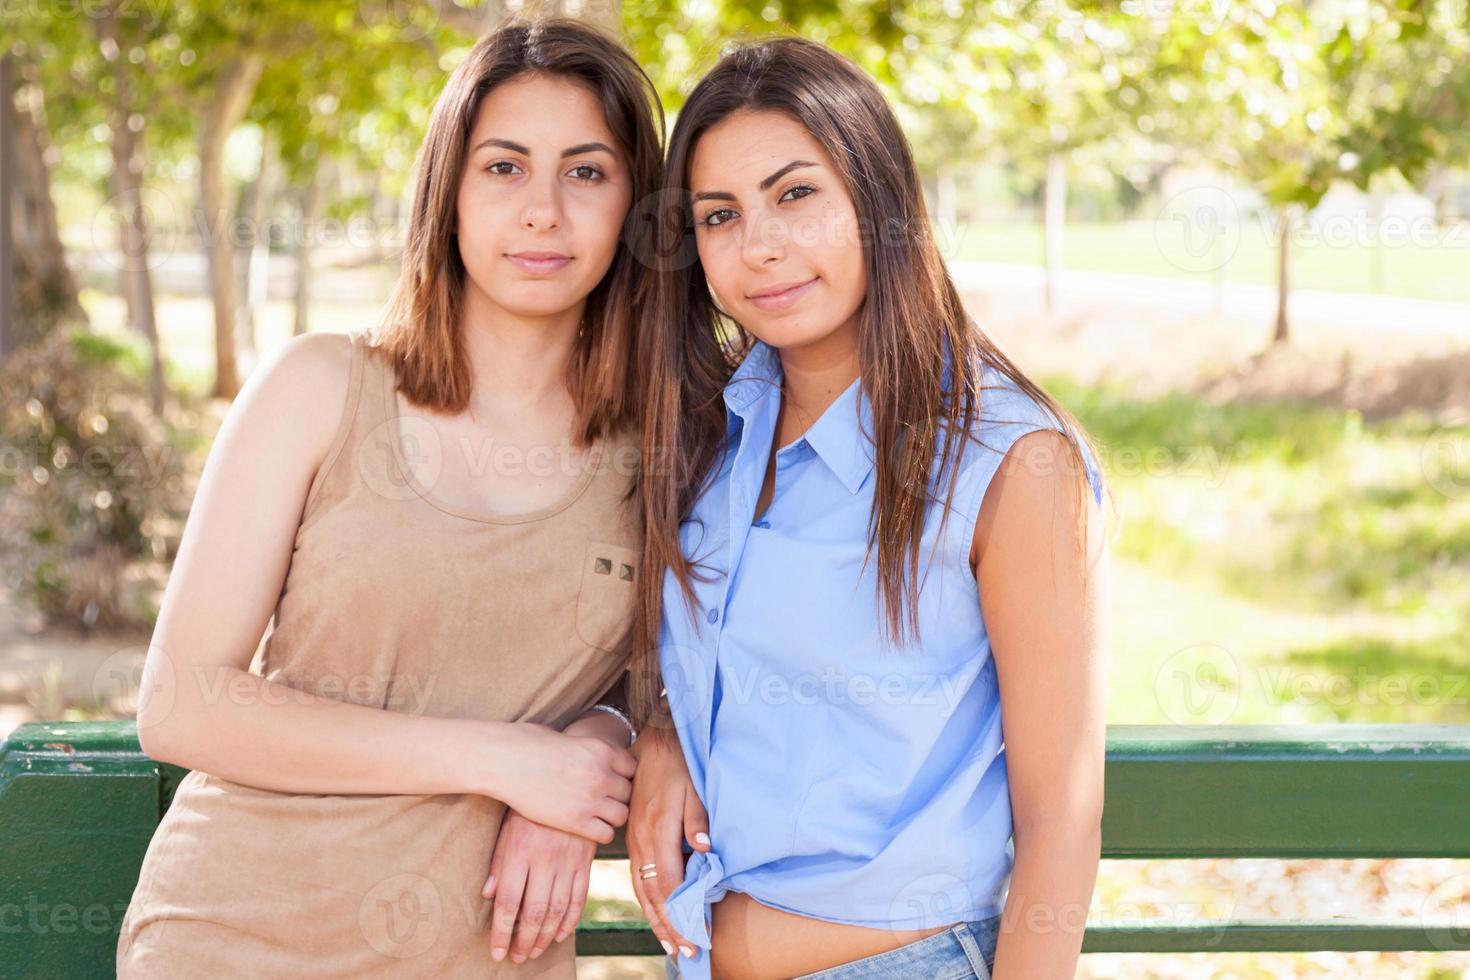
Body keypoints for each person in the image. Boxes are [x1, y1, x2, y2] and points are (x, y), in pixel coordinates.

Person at [116, 19, 663, 977]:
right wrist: (503, 760)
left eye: (586, 172)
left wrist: (596, 743)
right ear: (447, 193)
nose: (543, 210)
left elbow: (688, 683)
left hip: (488, 953)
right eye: (503, 168)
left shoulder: (664, 444)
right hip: (236, 932)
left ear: (635, 206)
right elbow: (181, 706)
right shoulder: (319, 388)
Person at [624, 36, 1113, 980]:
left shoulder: (1009, 462)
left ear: (879, 200)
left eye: (796, 194)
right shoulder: (713, 434)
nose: (759, 244)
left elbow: (1062, 818)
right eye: (719, 215)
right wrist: (664, 734)